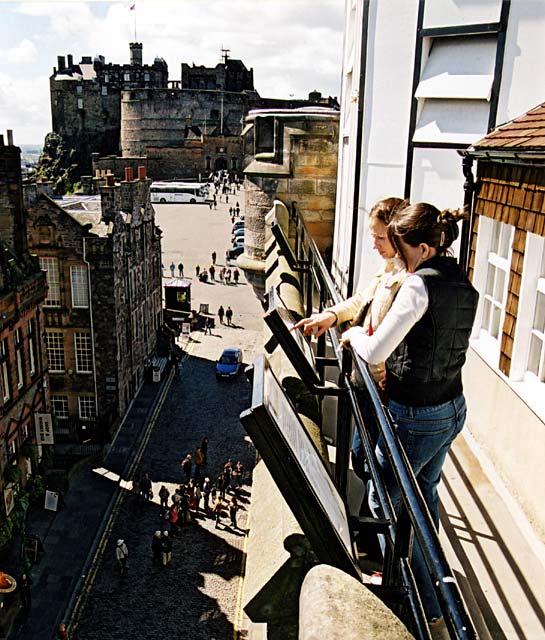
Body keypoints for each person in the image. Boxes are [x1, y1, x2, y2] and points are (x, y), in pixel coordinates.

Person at [343, 203, 479, 624]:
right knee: (425, 497)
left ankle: (427, 602)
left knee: (383, 499)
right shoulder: (461, 280)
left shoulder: (419, 287)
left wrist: (351, 335)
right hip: (452, 407)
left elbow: (377, 348)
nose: (397, 259)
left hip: (416, 414)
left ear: (422, 247)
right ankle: (437, 589)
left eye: (401, 249)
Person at [293, 197, 408, 475]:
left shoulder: (409, 280)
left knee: (370, 464)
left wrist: (354, 334)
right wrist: (330, 315)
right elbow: (361, 300)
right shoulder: (390, 266)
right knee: (363, 459)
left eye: (380, 237)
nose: (374, 244)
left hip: (381, 389)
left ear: (398, 235)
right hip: (366, 381)